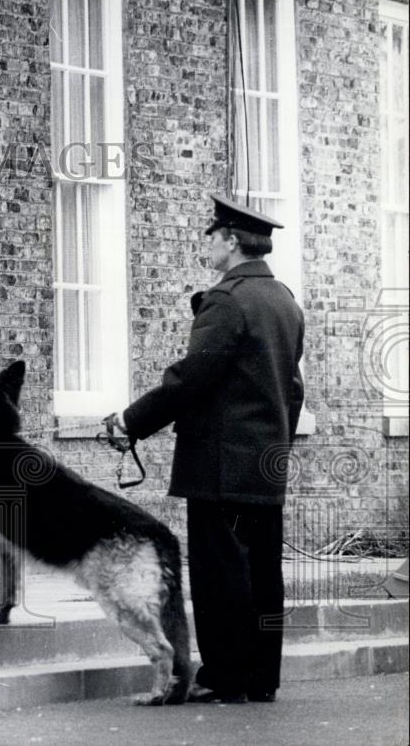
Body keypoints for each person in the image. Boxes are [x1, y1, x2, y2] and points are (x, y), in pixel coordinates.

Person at [107, 194, 304, 704]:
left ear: (232, 241)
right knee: (262, 574)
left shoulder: (227, 300)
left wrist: (131, 421)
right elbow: (294, 388)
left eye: (211, 235)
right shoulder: (284, 300)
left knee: (220, 576)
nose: (206, 244)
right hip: (265, 464)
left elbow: (190, 380)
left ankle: (224, 675)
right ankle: (260, 677)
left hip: (220, 467)